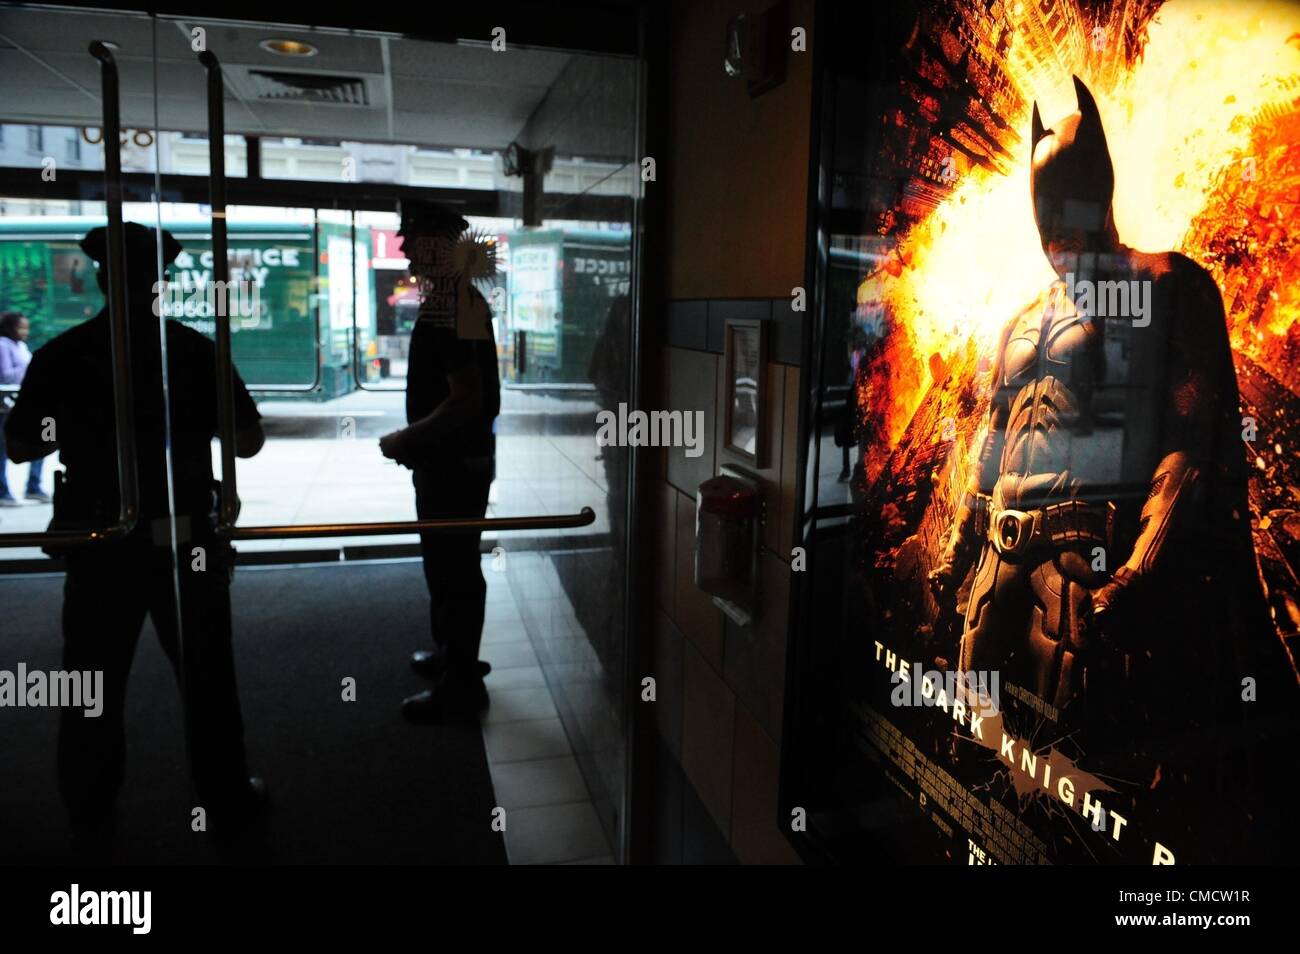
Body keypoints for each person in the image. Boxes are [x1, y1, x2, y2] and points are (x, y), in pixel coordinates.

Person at [926, 76, 1294, 861]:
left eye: (1061, 201)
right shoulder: (1021, 319)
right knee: (977, 752)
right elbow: (991, 444)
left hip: (1083, 564)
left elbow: (1189, 448)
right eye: (1039, 206)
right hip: (999, 559)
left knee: (1073, 782)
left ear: (1099, 189)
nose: (1049, 224)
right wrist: (959, 551)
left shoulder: (1167, 284)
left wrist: (1139, 568)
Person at [3, 222, 268, 849]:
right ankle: (224, 797)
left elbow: (21, 446)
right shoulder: (196, 351)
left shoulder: (62, 356)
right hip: (186, 541)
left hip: (101, 542)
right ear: (163, 281)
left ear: (99, 277)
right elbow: (248, 442)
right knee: (207, 679)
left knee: (91, 681)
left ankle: (90, 806)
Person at [379, 200, 500, 723]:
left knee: (453, 569)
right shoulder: (459, 299)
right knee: (450, 565)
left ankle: (461, 682)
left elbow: (465, 398)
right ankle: (456, 658)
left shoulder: (450, 307)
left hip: (452, 465)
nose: (403, 247)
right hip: (458, 460)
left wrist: (407, 439)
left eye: (412, 238)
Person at [0, 312, 47, 504]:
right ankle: (3, 491)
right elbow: (6, 375)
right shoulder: (3, 345)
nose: (25, 332)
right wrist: (30, 366)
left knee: (41, 442)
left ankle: (33, 486)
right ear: (10, 328)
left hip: (23, 400)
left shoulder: (20, 346)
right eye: (21, 328)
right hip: (5, 404)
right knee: (2, 448)